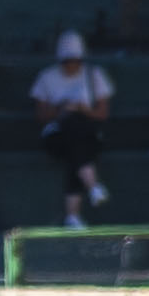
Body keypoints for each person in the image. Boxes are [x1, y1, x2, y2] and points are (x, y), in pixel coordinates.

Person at [31, 31, 114, 228]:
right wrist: (60, 109)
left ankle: (73, 216)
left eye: (75, 60)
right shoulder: (46, 77)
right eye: (67, 60)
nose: (71, 64)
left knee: (77, 148)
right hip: (56, 135)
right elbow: (40, 115)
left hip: (87, 134)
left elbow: (102, 113)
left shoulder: (94, 75)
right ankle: (93, 185)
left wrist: (84, 110)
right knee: (73, 136)